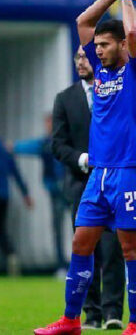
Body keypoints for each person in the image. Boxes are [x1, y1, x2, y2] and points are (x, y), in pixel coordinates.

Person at [35, 0, 136, 335]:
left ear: (120, 45)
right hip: (99, 172)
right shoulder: (100, 73)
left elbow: (132, 31)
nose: (96, 51)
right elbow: (82, 20)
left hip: (130, 169)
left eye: (104, 45)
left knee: (131, 249)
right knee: (81, 242)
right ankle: (72, 320)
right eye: (96, 46)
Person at [51, 45, 127, 330]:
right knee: (85, 249)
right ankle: (91, 312)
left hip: (115, 180)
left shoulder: (114, 92)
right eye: (78, 57)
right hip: (81, 182)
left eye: (86, 56)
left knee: (114, 249)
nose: (81, 61)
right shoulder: (65, 99)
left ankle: (113, 312)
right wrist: (81, 159)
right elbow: (57, 144)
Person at [13, 114, 67, 272]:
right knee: (57, 228)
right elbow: (29, 147)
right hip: (56, 191)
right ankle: (61, 264)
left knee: (80, 226)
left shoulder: (65, 141)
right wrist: (13, 147)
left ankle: (85, 261)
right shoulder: (45, 144)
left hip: (70, 190)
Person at [0, 139, 32, 275]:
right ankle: (11, 256)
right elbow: (15, 172)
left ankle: (11, 256)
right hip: (4, 195)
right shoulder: (3, 149)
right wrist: (25, 194)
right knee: (1, 229)